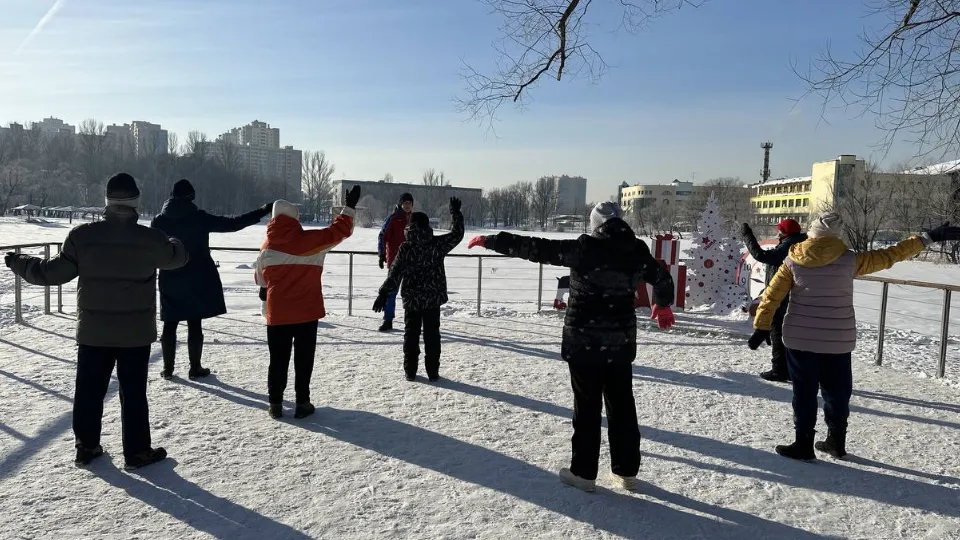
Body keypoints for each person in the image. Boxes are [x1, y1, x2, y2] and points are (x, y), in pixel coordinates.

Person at [467, 201, 676, 492]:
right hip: (619, 343)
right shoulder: (636, 250)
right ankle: (627, 471)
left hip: (584, 343)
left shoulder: (585, 248)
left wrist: (493, 240)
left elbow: (537, 247)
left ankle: (584, 473)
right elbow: (663, 277)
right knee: (622, 406)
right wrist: (663, 304)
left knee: (587, 406)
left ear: (596, 223)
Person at [4, 173, 188, 469]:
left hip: (93, 332)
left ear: (107, 201)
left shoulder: (82, 236)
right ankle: (137, 452)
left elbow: (50, 274)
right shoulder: (150, 238)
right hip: (135, 334)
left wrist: (20, 262)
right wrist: (175, 241)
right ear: (135, 203)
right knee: (134, 394)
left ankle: (87, 447)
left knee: (88, 391)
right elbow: (176, 258)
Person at [750, 213, 960, 461]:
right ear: (836, 235)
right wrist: (927, 238)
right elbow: (891, 254)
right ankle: (836, 441)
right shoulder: (850, 260)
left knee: (804, 392)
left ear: (812, 234)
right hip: (839, 340)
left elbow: (772, 296)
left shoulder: (793, 261)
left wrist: (762, 326)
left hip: (800, 339)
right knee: (837, 392)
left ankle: (803, 444)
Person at [254, 185, 361, 419]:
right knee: (304, 359)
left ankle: (275, 403)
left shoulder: (266, 249)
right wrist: (349, 208)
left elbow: (260, 279)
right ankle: (302, 402)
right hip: (306, 313)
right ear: (295, 218)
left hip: (278, 314)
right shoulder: (312, 242)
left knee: (277, 360)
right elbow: (339, 231)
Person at [151, 179, 272, 379]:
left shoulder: (159, 220)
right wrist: (262, 211)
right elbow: (233, 224)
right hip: (196, 277)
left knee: (169, 322)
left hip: (169, 276)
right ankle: (195, 367)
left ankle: (168, 369)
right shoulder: (198, 217)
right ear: (191, 197)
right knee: (194, 322)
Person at [373, 198, 464, 381]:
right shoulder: (437, 244)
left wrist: (383, 293)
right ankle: (432, 371)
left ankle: (410, 371)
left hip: (412, 299)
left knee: (411, 335)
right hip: (432, 298)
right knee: (432, 335)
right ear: (427, 225)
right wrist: (456, 213)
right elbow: (457, 234)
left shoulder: (406, 248)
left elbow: (395, 273)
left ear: (411, 226)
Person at [741, 219, 807, 382]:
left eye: (780, 230)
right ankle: (790, 368)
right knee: (785, 332)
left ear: (785, 232)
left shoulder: (789, 245)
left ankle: (780, 370)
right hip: (791, 294)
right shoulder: (798, 242)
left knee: (777, 330)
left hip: (782, 295)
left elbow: (761, 255)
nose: (777, 233)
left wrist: (747, 235)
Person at [377, 192, 414, 332]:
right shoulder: (392, 219)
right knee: (391, 291)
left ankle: (412, 320)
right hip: (395, 261)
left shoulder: (415, 219)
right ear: (400, 204)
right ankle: (388, 320)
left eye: (410, 203)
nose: (407, 205)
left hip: (412, 262)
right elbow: (382, 236)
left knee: (412, 293)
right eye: (405, 203)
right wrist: (381, 254)